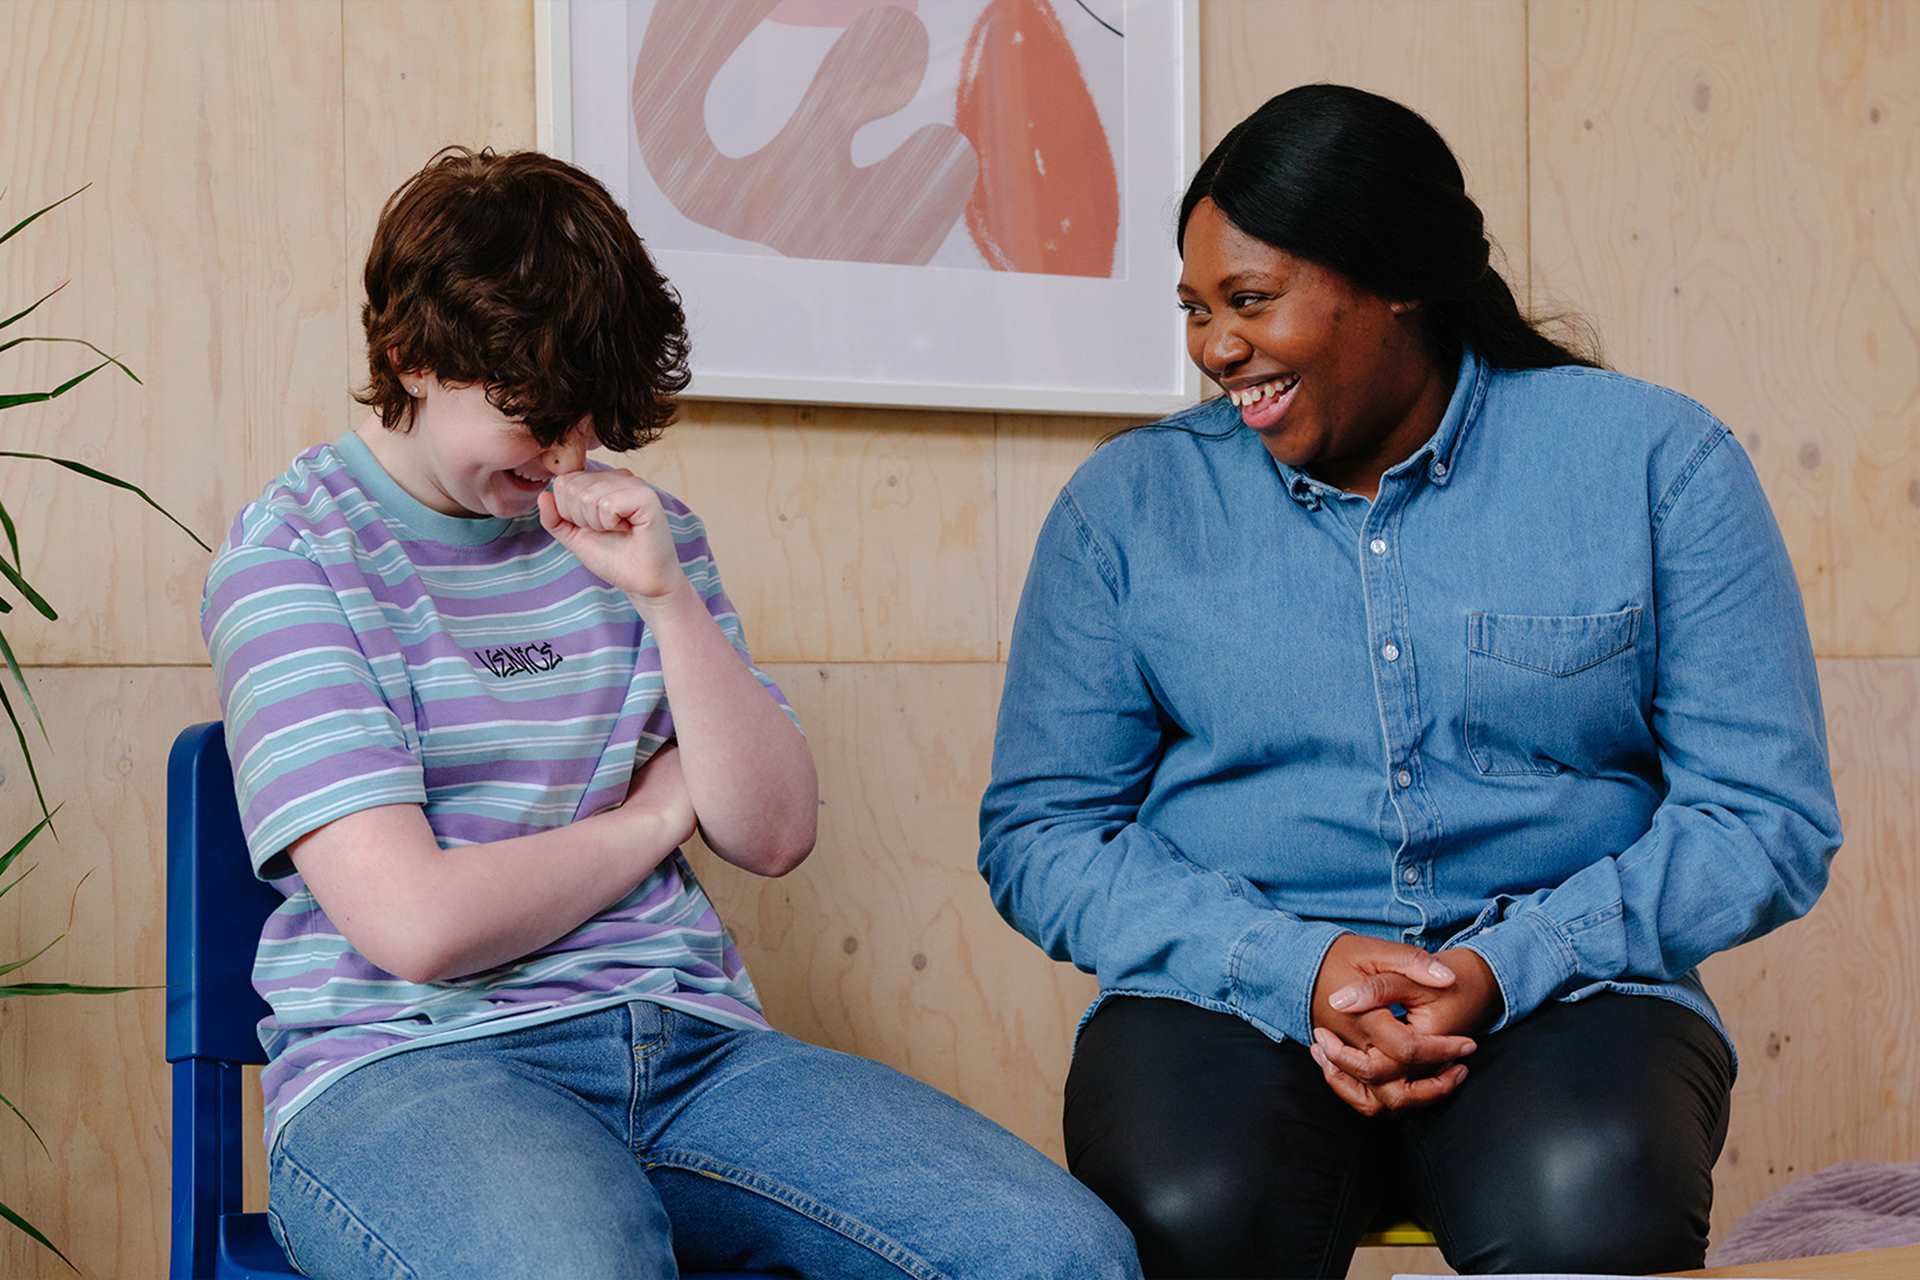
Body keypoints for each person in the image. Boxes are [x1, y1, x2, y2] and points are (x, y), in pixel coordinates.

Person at [202, 146, 1141, 1280]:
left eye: (590, 421)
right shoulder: (294, 557)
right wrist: (649, 821)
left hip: (692, 1046)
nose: (569, 454)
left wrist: (666, 596)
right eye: (535, 416)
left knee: (1058, 1252)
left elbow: (773, 830)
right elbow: (419, 926)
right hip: (411, 1071)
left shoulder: (643, 536)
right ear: (412, 354)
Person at [979, 84, 1842, 1279]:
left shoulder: (1656, 462)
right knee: (1189, 1206)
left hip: (1570, 991)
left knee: (1585, 1201)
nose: (1215, 346)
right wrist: (1298, 967)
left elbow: (1766, 817)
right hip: (1228, 992)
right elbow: (1044, 831)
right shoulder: (1128, 509)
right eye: (1195, 308)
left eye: (1250, 300)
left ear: (1398, 281)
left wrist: (1509, 963)